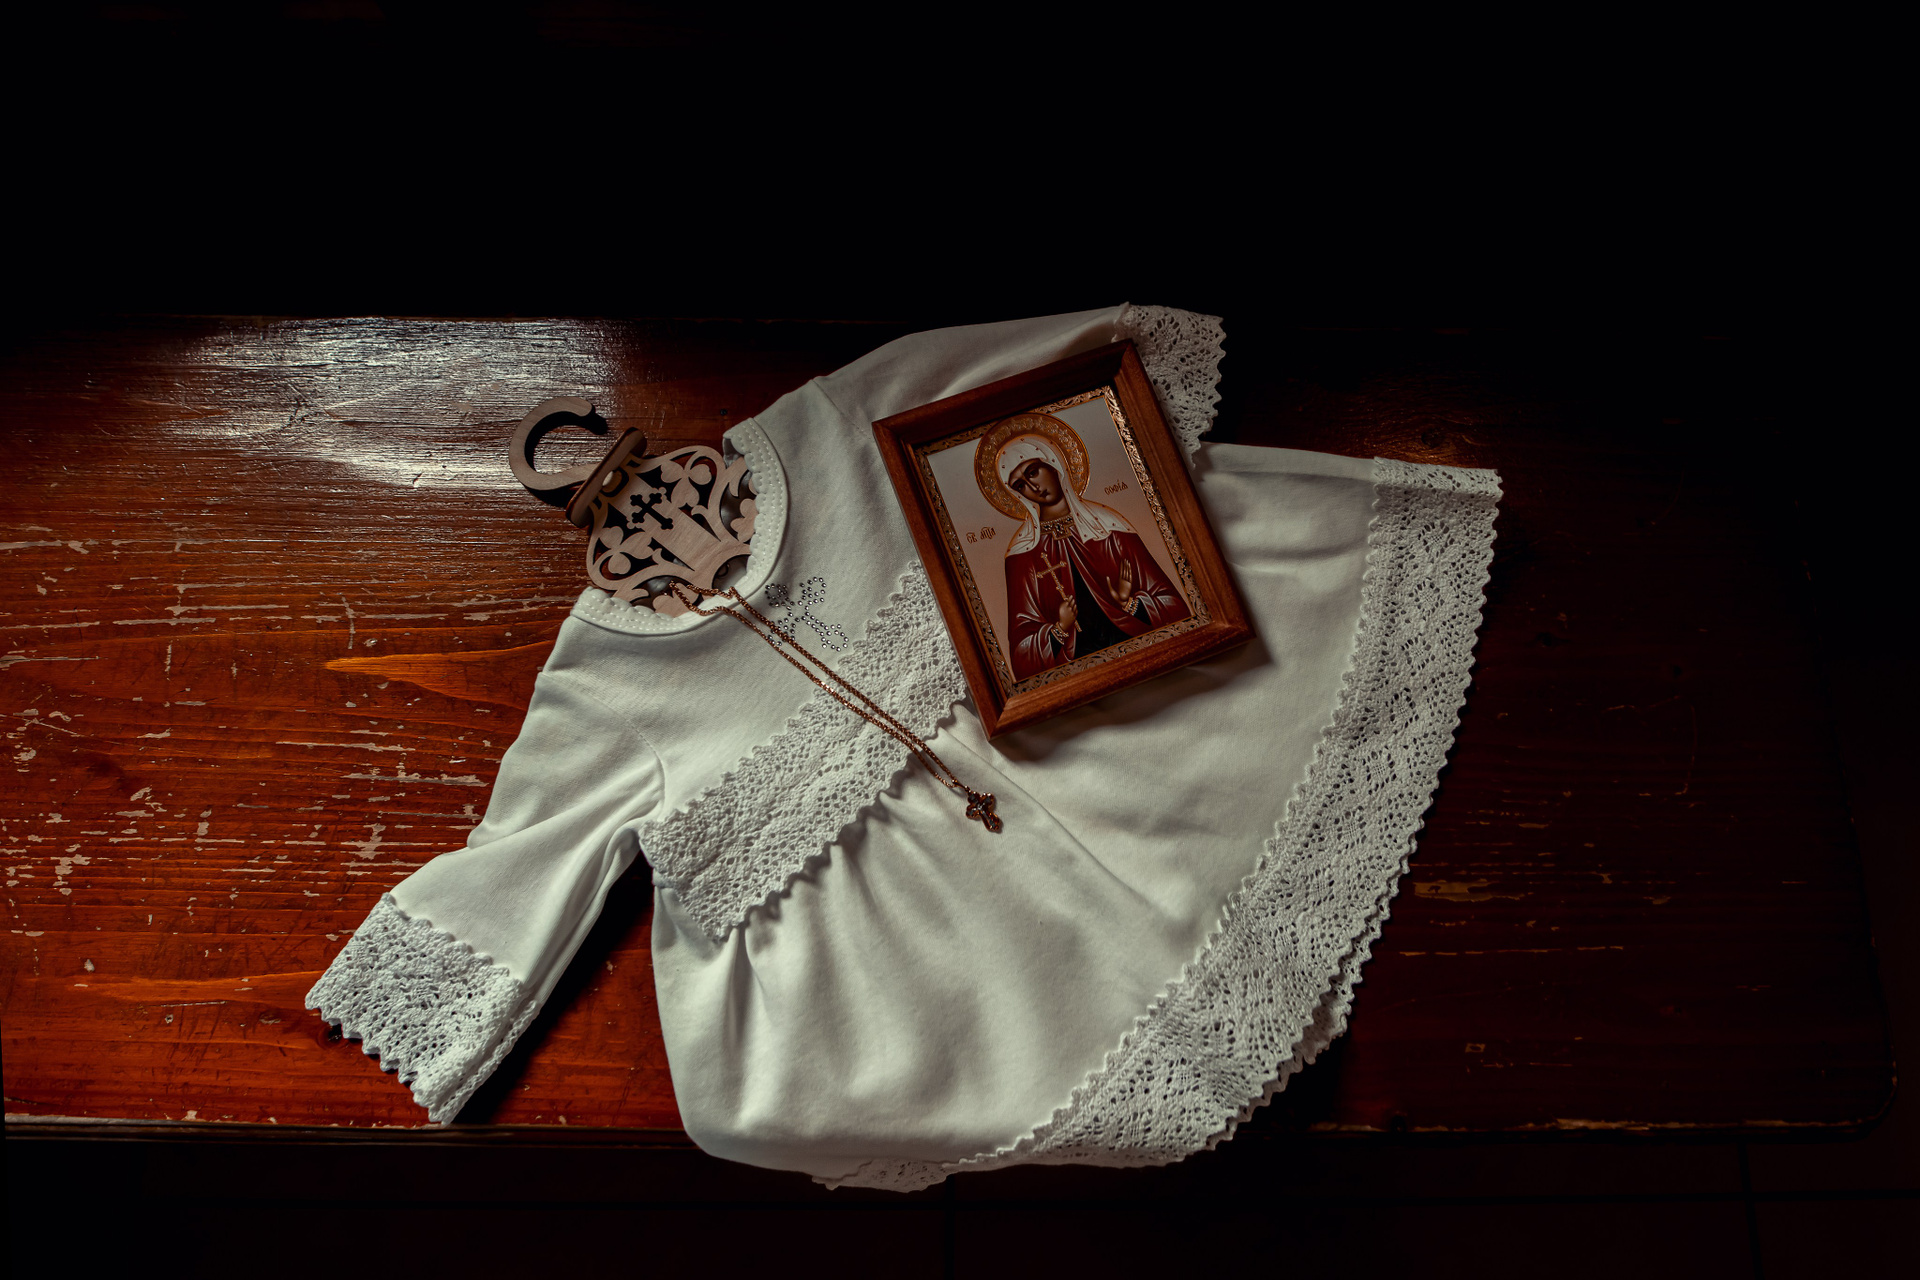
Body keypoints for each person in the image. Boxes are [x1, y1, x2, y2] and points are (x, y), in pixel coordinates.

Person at [993, 425, 1190, 680]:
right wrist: (1059, 629)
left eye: (1033, 471)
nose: (1033, 486)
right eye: (1021, 485)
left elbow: (1175, 608)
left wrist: (1130, 604)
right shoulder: (1022, 552)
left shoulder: (1109, 526)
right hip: (1078, 671)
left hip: (1140, 650)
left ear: (1053, 464)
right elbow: (1022, 655)